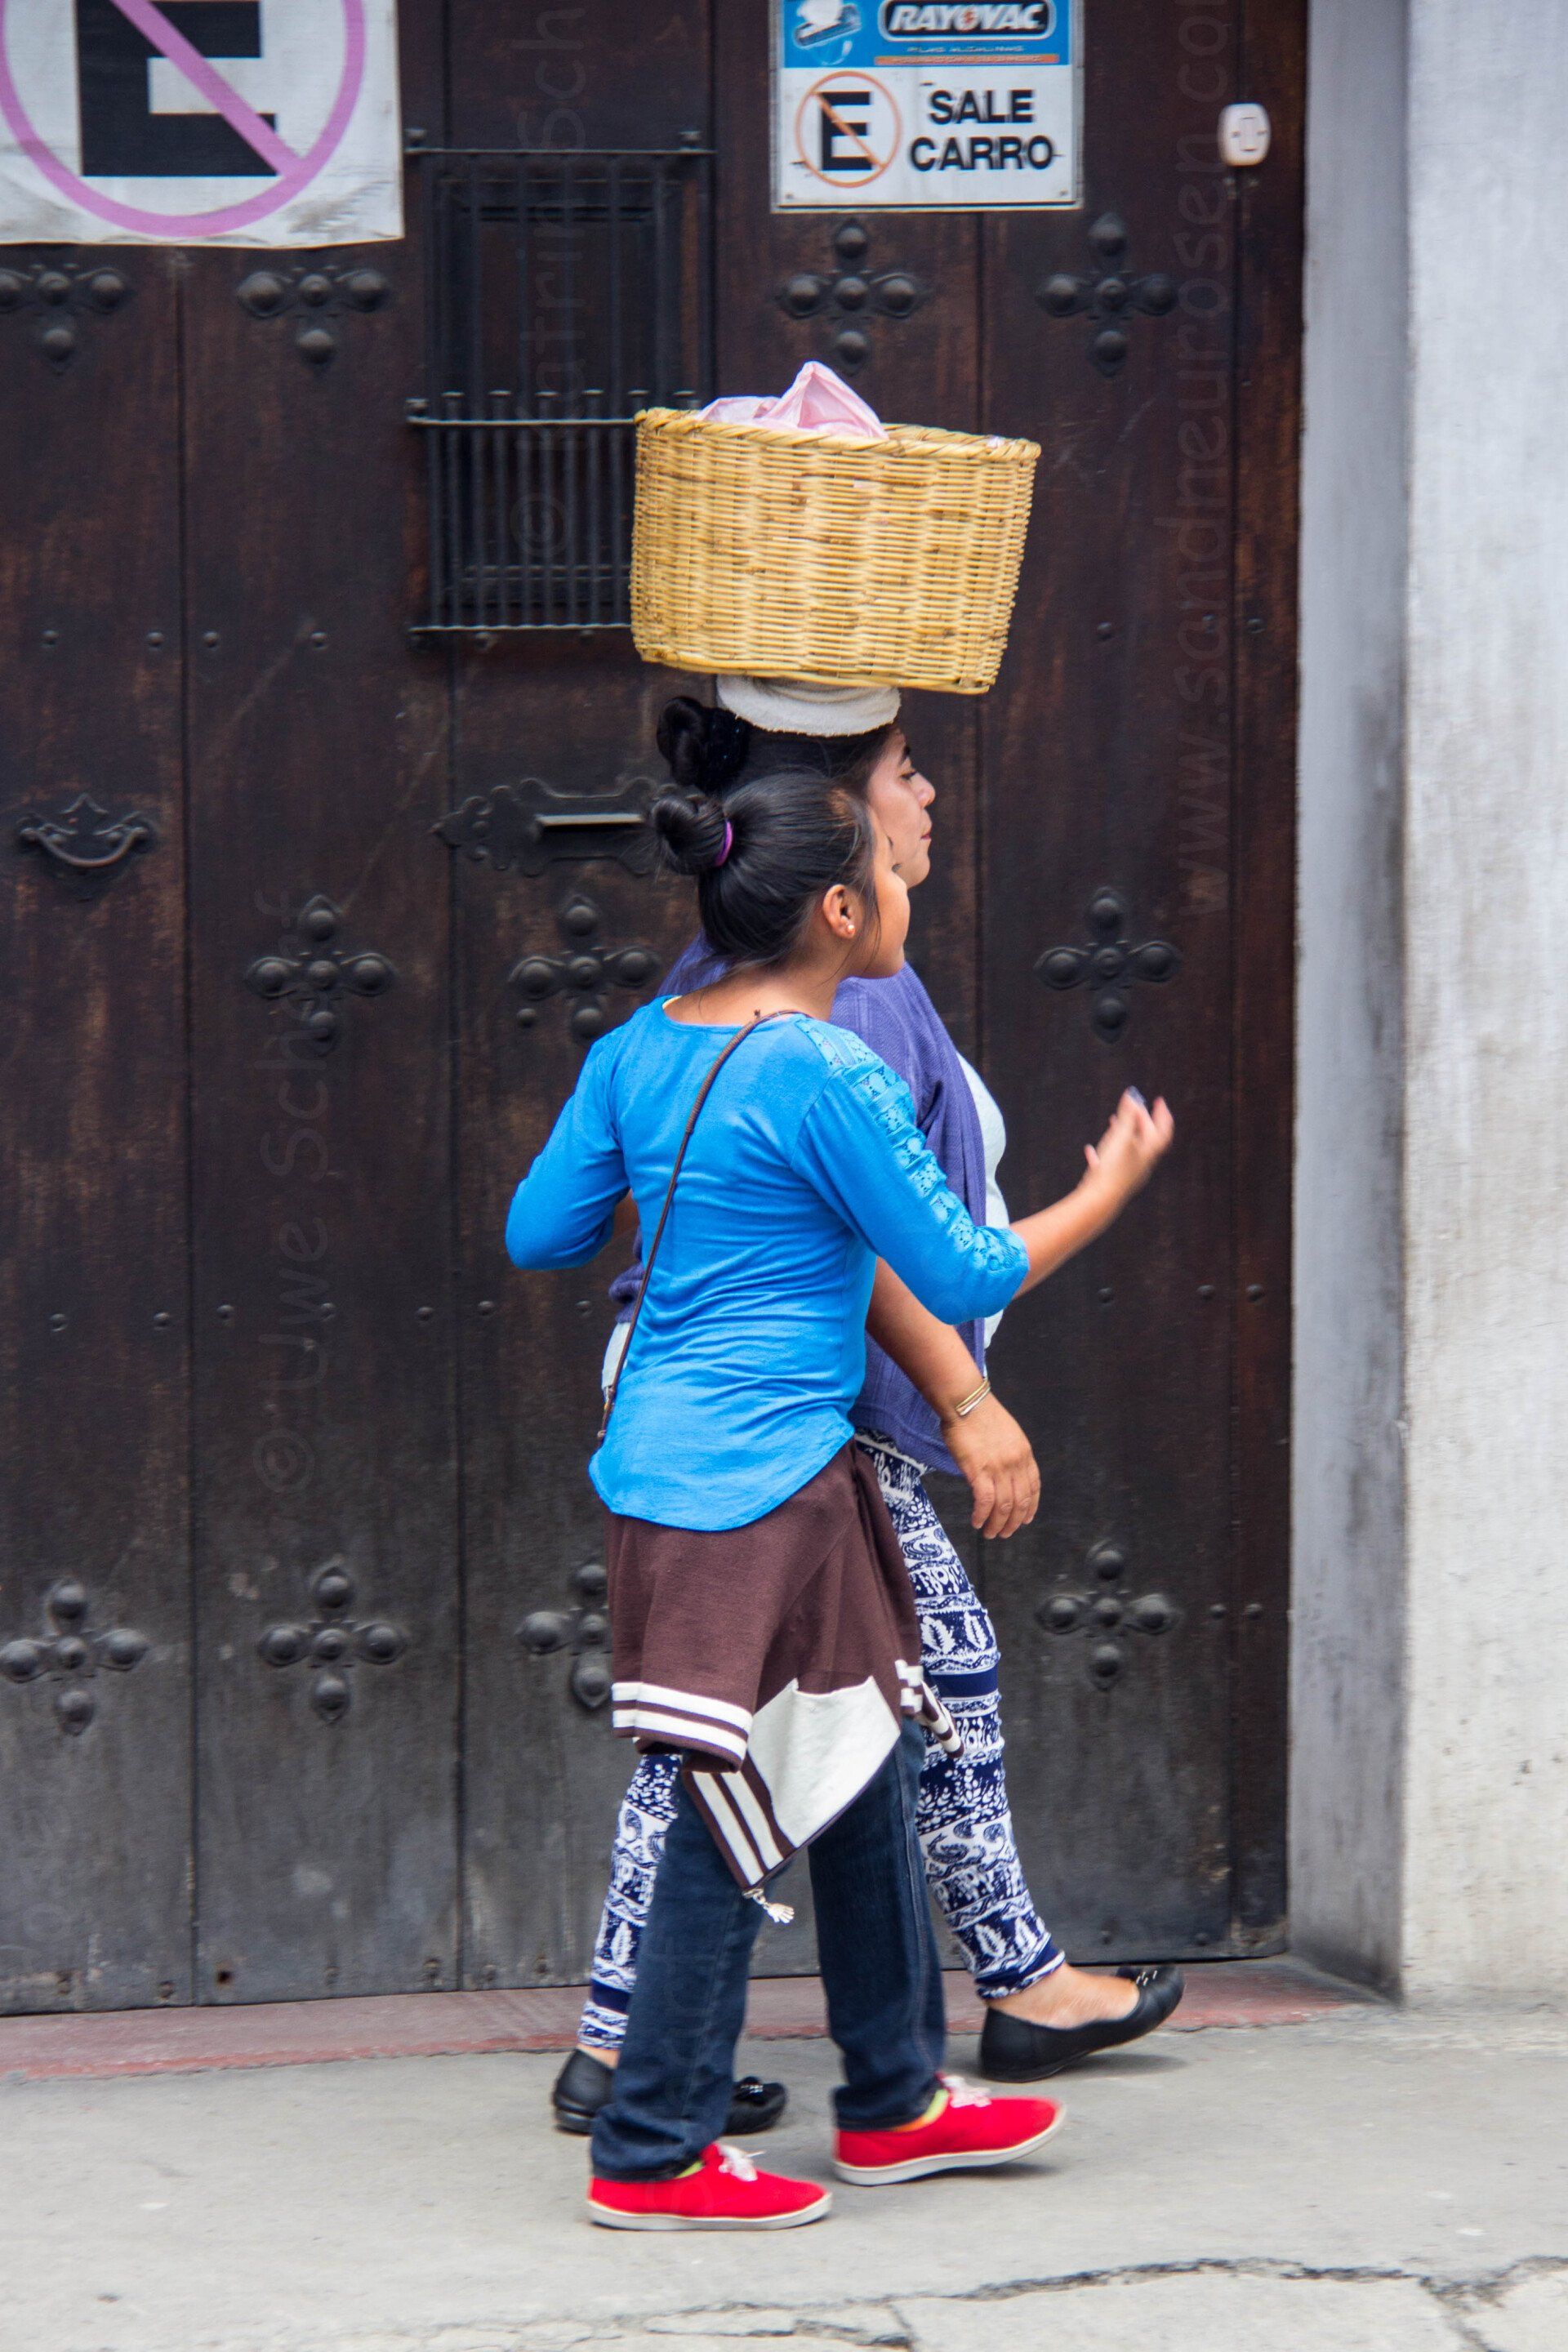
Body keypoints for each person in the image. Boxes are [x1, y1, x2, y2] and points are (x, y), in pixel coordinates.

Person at [506, 761, 1173, 2227]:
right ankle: (652, 2152)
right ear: (840, 909)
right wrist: (1107, 1189)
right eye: (881, 860)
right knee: (722, 1799)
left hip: (704, 1469)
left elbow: (540, 1232)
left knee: (868, 1747)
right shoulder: (828, 1072)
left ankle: (891, 2100)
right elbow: (966, 1269)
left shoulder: (633, 1051)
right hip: (754, 1491)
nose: (901, 881)